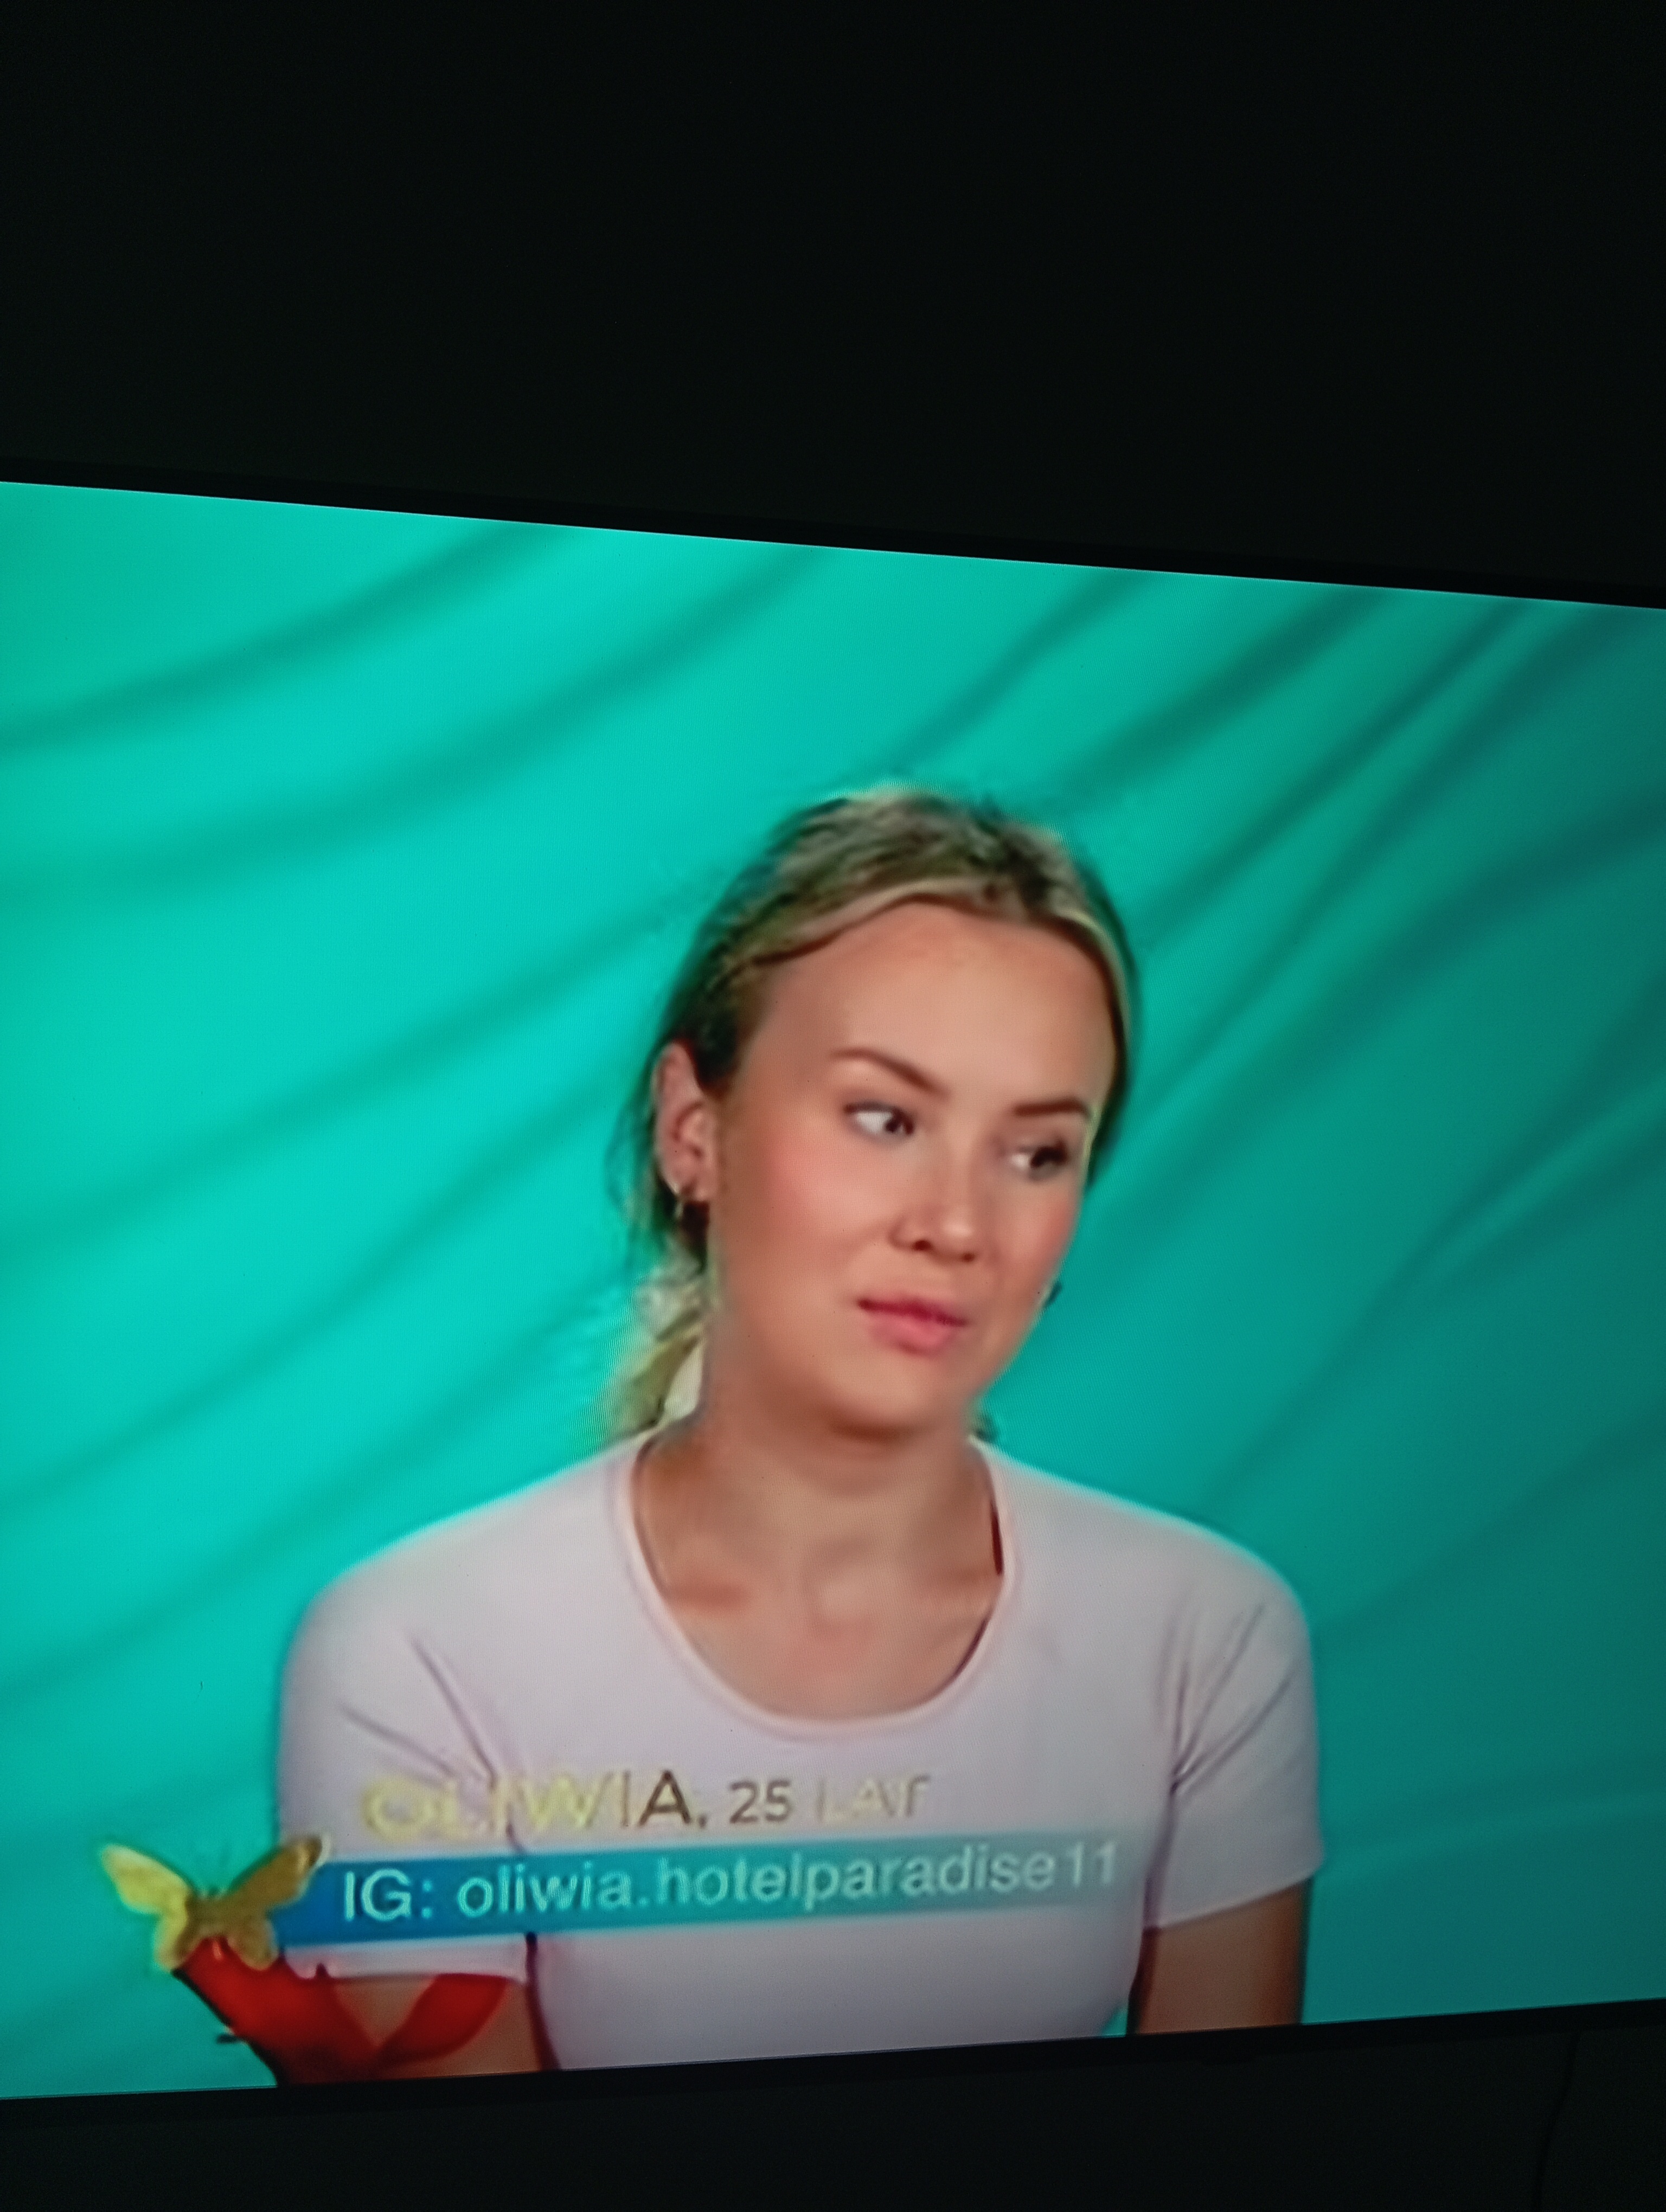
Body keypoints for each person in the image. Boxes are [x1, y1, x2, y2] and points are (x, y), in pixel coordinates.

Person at [275, 787, 1321, 2079]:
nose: (958, 1225)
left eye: (1038, 1153)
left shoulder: (1208, 1640)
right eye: (885, 1119)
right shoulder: (415, 1651)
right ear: (693, 1132)